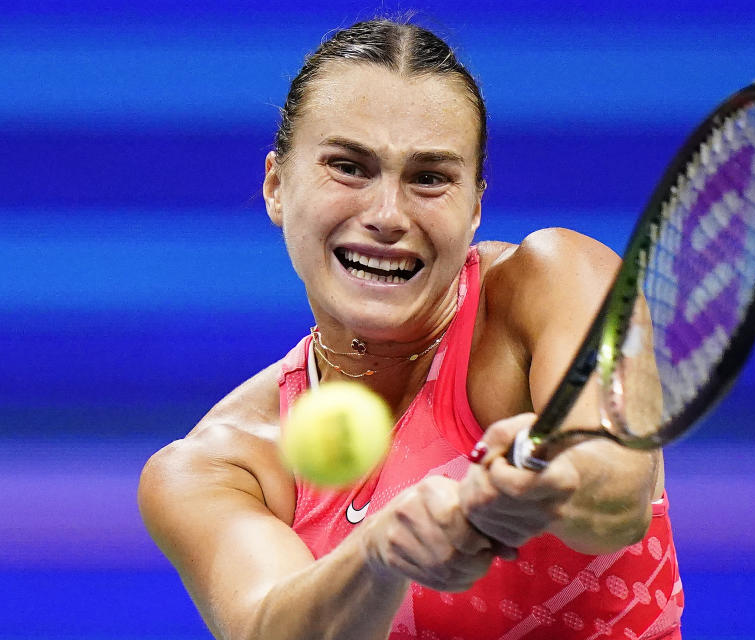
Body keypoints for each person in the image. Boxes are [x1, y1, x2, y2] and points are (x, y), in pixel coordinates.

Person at [138, 18, 683, 640]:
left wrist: (552, 477)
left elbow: (617, 495)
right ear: (276, 187)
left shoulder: (555, 282)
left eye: (429, 178)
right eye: (348, 167)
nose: (387, 216)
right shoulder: (219, 465)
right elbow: (270, 627)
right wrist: (378, 554)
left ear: (474, 206)